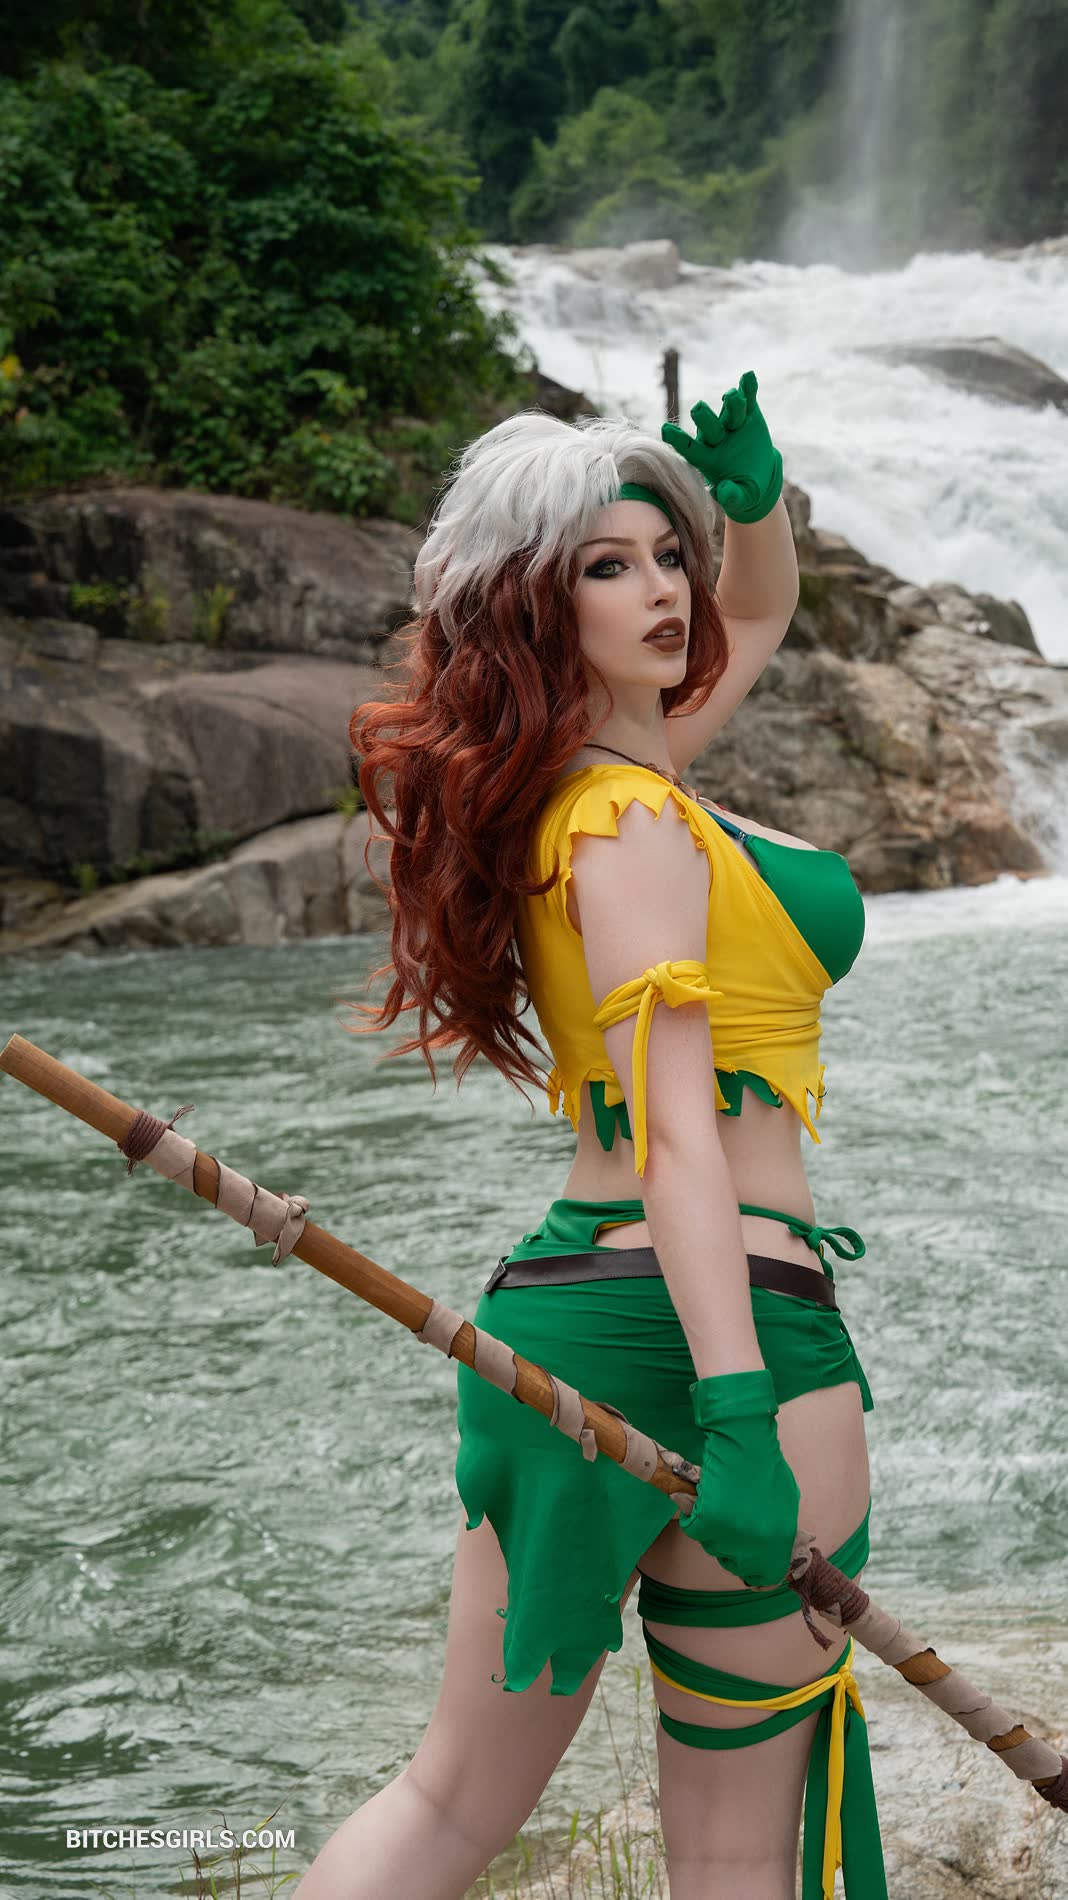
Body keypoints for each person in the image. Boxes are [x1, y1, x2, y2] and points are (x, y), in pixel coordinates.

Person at [295, 377, 887, 1899]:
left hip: (573, 1327)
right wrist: (739, 1413)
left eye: (667, 555)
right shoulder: (626, 822)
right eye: (608, 568)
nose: (665, 589)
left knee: (449, 1806)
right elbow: (679, 1138)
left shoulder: (614, 782)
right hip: (741, 1325)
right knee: (732, 1850)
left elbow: (754, 613)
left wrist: (751, 511)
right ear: (534, 612)